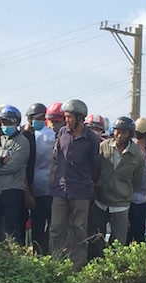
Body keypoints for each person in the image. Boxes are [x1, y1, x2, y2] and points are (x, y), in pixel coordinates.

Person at [48, 99, 100, 270]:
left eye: (69, 117)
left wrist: (90, 186)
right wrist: (53, 182)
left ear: (80, 118)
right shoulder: (62, 133)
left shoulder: (91, 139)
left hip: (81, 191)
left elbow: (95, 165)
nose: (66, 120)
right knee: (56, 229)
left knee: (79, 229)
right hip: (60, 190)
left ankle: (78, 266)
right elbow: (56, 159)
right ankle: (56, 265)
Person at [87, 116, 144, 259]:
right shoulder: (104, 146)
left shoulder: (137, 156)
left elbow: (137, 180)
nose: (119, 135)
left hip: (121, 204)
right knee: (95, 237)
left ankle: (114, 271)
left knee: (118, 242)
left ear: (130, 133)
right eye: (117, 131)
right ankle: (93, 268)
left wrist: (125, 192)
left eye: (123, 132)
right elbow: (96, 169)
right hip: (101, 200)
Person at [0, 105, 30, 244]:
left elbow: (14, 166)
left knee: (12, 225)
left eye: (9, 123)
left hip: (13, 189)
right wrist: (0, 161)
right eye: (3, 123)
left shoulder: (22, 142)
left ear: (16, 123)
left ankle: (16, 255)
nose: (5, 126)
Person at [26, 102, 55, 254]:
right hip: (49, 186)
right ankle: (49, 252)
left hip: (36, 187)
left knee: (37, 225)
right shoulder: (52, 135)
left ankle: (38, 252)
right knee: (50, 225)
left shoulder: (30, 136)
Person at [127, 117, 146, 244]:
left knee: (140, 235)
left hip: (142, 198)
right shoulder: (133, 149)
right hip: (130, 197)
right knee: (129, 232)